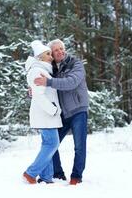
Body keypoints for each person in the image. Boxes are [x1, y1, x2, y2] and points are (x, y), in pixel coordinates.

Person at [34, 39, 89, 185]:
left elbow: (71, 82)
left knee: (79, 146)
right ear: (51, 54)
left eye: (62, 48)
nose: (60, 51)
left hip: (78, 110)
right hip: (62, 114)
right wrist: (34, 90)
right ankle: (58, 174)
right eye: (56, 50)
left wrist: (49, 82)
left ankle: (76, 177)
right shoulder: (51, 68)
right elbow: (43, 87)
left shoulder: (75, 64)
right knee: (52, 143)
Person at [23, 40, 62, 184]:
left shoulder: (43, 69)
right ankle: (30, 173)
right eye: (48, 54)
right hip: (45, 114)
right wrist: (53, 110)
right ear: (39, 57)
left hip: (47, 115)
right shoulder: (36, 70)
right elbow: (39, 95)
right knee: (52, 144)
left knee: (49, 144)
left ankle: (46, 177)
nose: (51, 57)